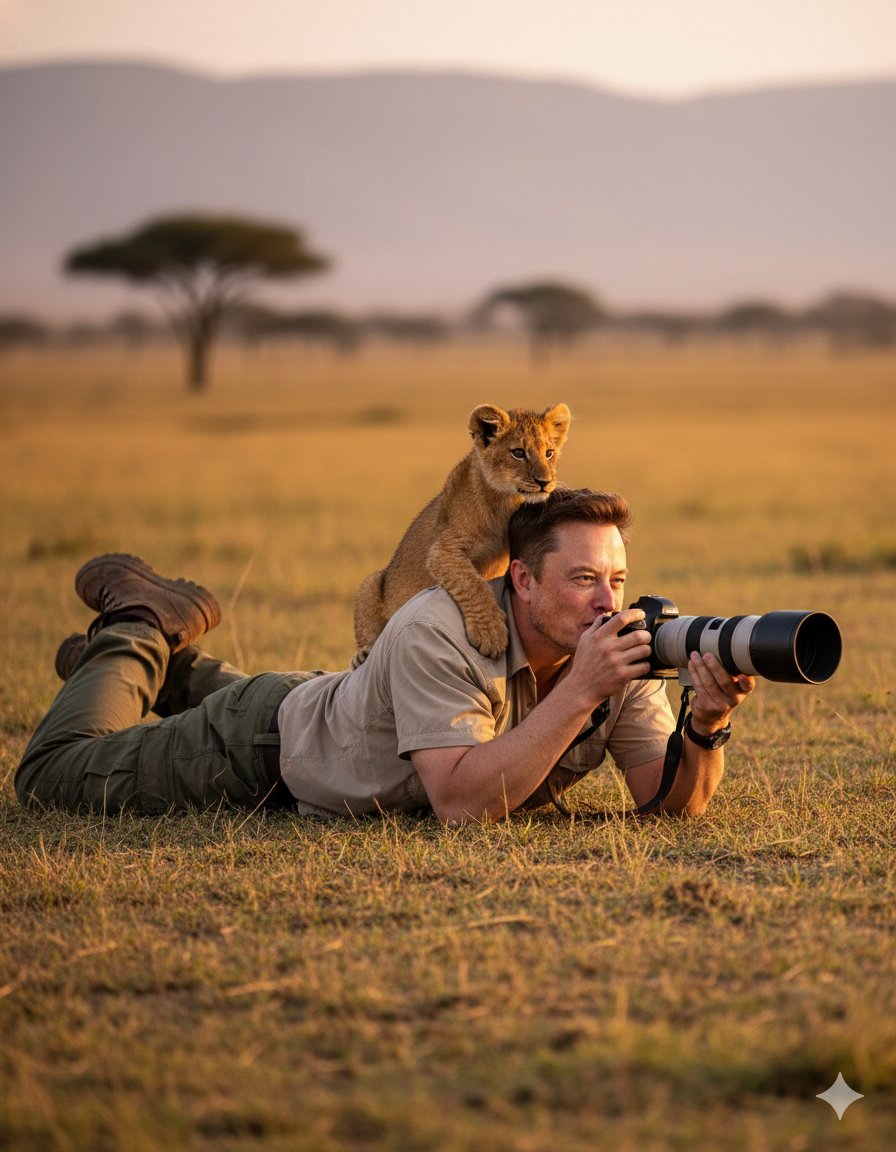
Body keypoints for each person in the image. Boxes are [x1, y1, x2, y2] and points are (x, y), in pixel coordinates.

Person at [15, 489, 754, 824]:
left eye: (617, 580)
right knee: (52, 775)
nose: (608, 602)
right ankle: (143, 624)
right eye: (585, 579)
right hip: (263, 746)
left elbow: (671, 806)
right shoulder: (439, 624)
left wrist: (707, 725)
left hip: (346, 711)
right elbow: (462, 805)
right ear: (522, 581)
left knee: (330, 699)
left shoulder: (616, 646)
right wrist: (579, 693)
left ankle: (152, 670)